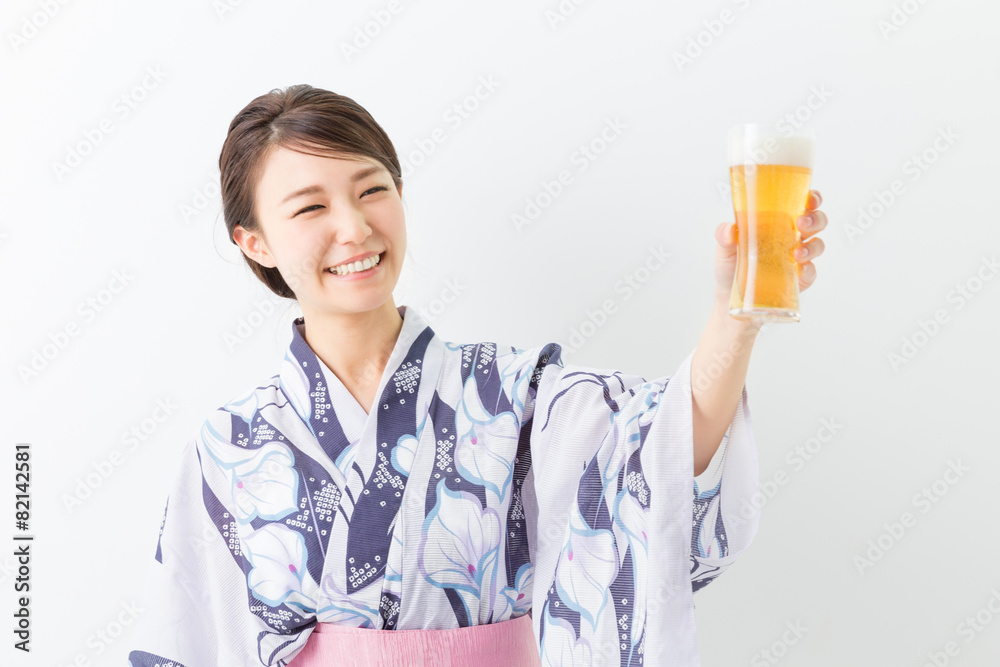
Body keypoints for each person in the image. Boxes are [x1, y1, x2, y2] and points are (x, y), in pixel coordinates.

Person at [127, 84, 827, 667]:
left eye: (372, 190)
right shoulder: (230, 446)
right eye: (311, 206)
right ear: (254, 241)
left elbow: (662, 455)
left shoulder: (512, 395)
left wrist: (735, 315)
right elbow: (186, 639)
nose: (355, 227)